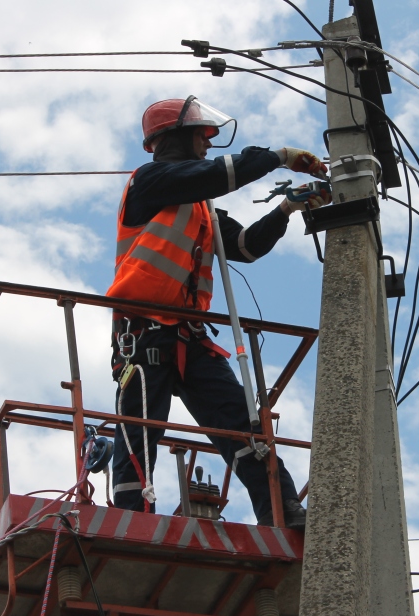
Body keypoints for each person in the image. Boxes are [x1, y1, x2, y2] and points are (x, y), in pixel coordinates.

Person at [105, 96, 328, 529]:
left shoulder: (200, 207)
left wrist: (287, 208)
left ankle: (282, 512)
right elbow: (221, 173)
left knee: (241, 424)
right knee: (140, 426)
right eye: (202, 137)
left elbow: (245, 246)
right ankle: (132, 517)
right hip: (144, 330)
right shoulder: (149, 182)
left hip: (189, 335)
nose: (208, 146)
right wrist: (280, 156)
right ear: (176, 138)